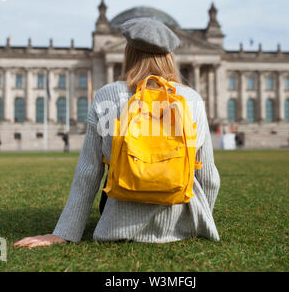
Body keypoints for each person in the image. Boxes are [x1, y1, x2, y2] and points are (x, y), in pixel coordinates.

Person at [14, 18, 221, 248]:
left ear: (128, 53)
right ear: (170, 56)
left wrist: (64, 233)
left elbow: (89, 172)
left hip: (117, 226)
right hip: (183, 226)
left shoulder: (106, 95)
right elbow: (209, 178)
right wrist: (203, 221)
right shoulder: (192, 99)